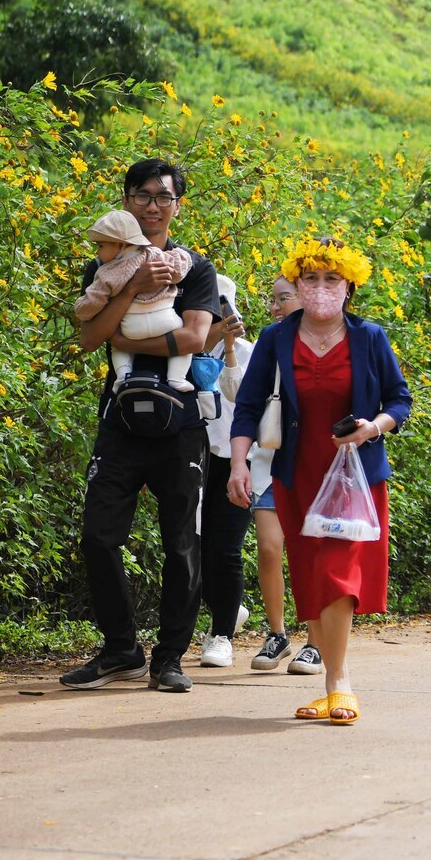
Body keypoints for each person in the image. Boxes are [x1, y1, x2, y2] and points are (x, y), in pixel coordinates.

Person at [228, 237, 411, 725]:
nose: (322, 287)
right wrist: (238, 464)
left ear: (350, 286)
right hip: (297, 475)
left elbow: (400, 401)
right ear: (299, 283)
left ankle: (339, 681)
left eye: (333, 279)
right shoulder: (276, 337)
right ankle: (331, 692)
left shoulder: (369, 337)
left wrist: (373, 428)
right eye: (312, 278)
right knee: (311, 576)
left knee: (336, 572)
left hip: (354, 478)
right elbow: (247, 405)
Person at [62, 159, 219, 692]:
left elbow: (197, 337)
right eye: (143, 195)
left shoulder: (194, 267)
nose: (153, 205)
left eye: (164, 197)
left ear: (178, 206)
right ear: (126, 200)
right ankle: (121, 649)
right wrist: (132, 289)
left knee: (181, 543)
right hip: (120, 421)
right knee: (97, 537)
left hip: (181, 424)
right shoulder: (103, 263)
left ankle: (170, 655)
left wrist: (121, 339)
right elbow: (86, 338)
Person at [241, 278, 321, 674]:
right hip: (271, 458)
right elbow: (245, 398)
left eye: (281, 298)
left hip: (318, 465)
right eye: (270, 299)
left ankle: (316, 641)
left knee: (312, 553)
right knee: (270, 548)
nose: (274, 307)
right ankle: (277, 634)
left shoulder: (335, 339)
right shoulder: (271, 340)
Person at [196, 273, 252, 668]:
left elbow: (245, 401)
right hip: (192, 456)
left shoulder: (249, 353)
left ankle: (221, 634)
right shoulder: (184, 350)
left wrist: (229, 346)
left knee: (225, 548)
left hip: (237, 460)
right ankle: (227, 609)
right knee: (191, 550)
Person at [74, 209, 195, 391]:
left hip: (131, 328)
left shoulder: (107, 272)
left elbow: (92, 303)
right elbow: (179, 267)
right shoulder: (154, 255)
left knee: (119, 348)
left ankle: (122, 375)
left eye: (100, 246)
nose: (98, 253)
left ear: (120, 245)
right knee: (184, 349)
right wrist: (184, 256)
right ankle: (177, 377)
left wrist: (80, 308)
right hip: (167, 321)